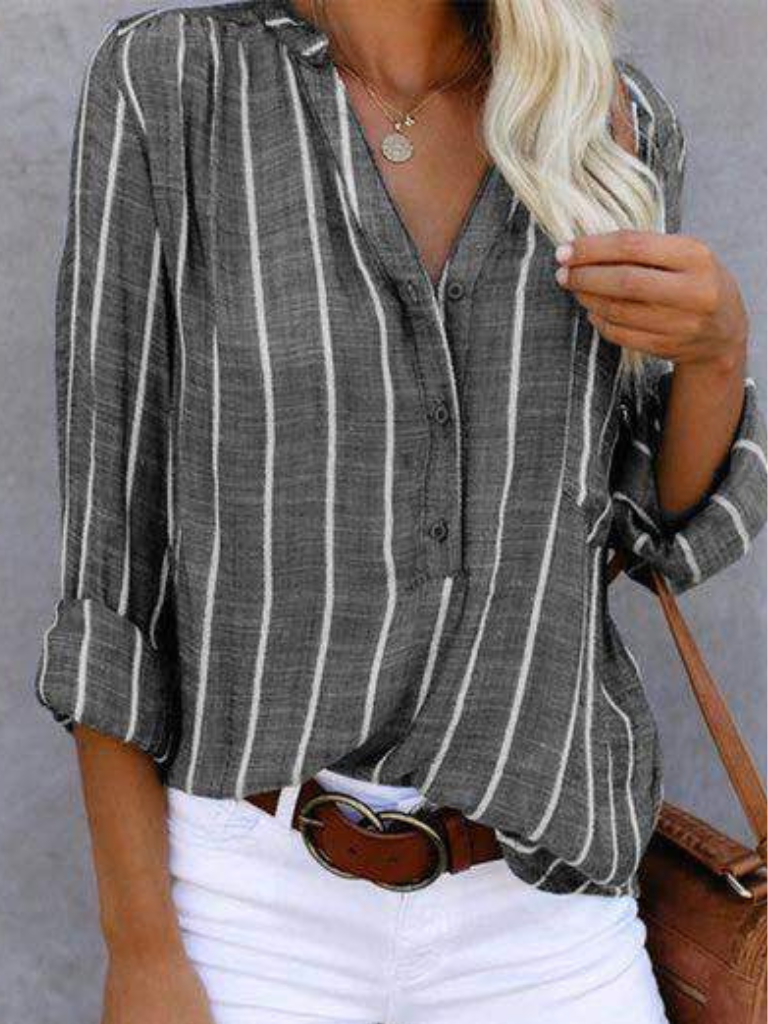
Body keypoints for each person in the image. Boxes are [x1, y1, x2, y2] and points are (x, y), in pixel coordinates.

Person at [32, 1, 767, 1022]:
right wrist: (141, 948)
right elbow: (110, 568)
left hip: (542, 915)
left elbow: (648, 531)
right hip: (249, 912)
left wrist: (717, 353)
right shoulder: (178, 83)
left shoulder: (605, 123)